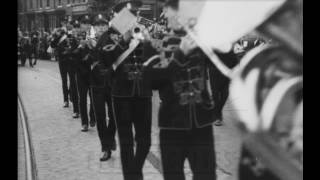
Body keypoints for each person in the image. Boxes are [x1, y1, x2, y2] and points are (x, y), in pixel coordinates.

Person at [149, 0, 222, 179]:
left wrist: (217, 34)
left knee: (207, 176)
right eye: (168, 10)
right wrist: (180, 53)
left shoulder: (204, 39)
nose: (165, 14)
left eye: (169, 10)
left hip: (201, 124)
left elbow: (227, 68)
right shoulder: (156, 44)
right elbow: (152, 81)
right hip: (171, 125)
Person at [94, 1, 155, 179]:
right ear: (118, 17)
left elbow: (154, 61)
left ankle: (133, 172)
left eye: (134, 15)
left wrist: (149, 41)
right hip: (122, 94)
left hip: (143, 92)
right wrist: (124, 40)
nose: (132, 19)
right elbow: (105, 60)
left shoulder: (143, 32)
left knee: (145, 141)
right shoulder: (107, 36)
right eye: (127, 16)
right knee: (126, 142)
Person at [84, 14, 117, 160]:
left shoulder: (113, 40)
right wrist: (87, 49)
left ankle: (109, 139)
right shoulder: (86, 43)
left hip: (111, 84)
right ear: (94, 28)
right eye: (98, 26)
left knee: (115, 115)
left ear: (107, 26)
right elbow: (81, 64)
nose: (101, 28)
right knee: (100, 118)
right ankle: (106, 147)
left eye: (103, 25)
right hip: (96, 85)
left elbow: (116, 59)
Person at [51, 22, 80, 118]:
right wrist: (56, 35)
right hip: (62, 61)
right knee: (64, 80)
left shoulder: (73, 36)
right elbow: (52, 45)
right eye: (66, 25)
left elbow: (76, 47)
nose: (68, 27)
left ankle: (71, 96)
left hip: (71, 61)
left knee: (72, 82)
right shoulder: (61, 35)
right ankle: (65, 100)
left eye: (69, 25)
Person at [72, 17, 96, 132]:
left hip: (92, 72)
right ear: (81, 25)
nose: (86, 25)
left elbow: (97, 53)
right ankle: (84, 123)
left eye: (88, 23)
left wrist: (91, 45)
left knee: (93, 97)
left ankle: (92, 117)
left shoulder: (93, 37)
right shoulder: (74, 37)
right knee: (82, 98)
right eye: (84, 23)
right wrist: (80, 46)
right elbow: (71, 54)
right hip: (80, 72)